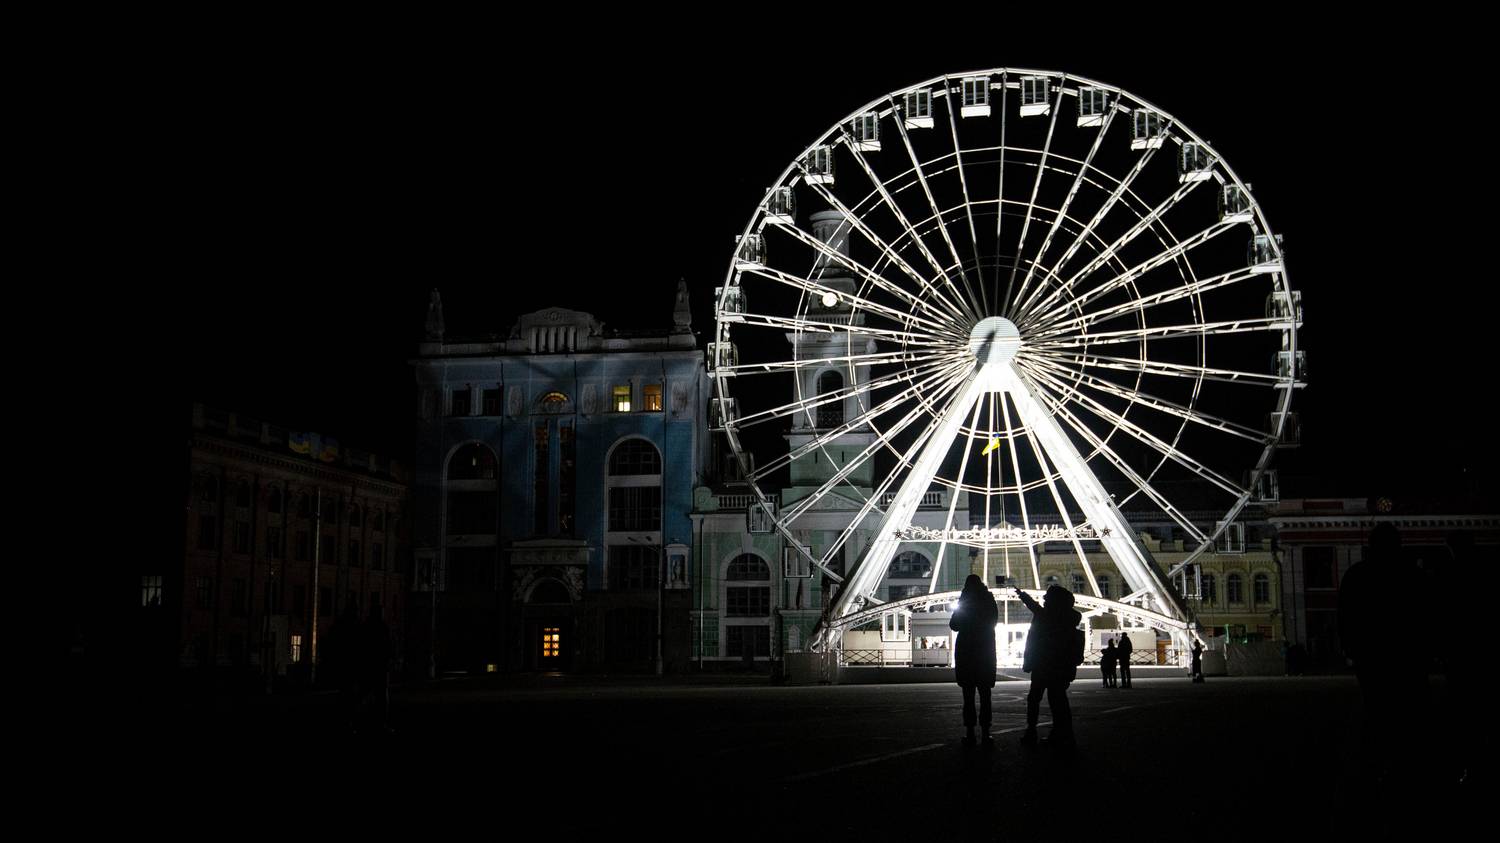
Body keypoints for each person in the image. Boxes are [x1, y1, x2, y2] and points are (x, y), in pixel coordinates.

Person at [1017, 585, 1083, 747]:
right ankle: (1064, 734)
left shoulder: (1048, 616)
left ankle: (1032, 731)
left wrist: (1023, 595)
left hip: (1043, 664)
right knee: (1058, 701)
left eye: (1047, 597)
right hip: (1061, 666)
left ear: (1055, 601)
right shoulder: (1067, 618)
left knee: (1034, 699)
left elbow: (1034, 608)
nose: (1044, 599)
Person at [949, 574, 999, 748]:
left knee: (968, 697)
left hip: (967, 654)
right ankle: (986, 733)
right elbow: (993, 622)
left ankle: (970, 732)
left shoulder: (965, 602)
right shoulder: (988, 600)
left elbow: (954, 625)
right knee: (985, 696)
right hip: (985, 653)